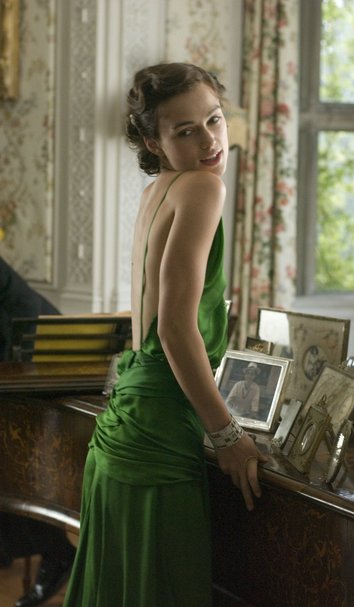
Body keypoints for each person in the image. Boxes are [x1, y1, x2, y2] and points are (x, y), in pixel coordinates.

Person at [63, 62, 266, 606]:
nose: (210, 141)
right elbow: (175, 329)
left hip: (123, 428)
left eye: (215, 120)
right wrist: (227, 435)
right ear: (153, 142)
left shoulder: (159, 191)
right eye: (186, 131)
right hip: (158, 436)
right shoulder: (202, 188)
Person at [0, 257, 76, 607]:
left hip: (42, 355)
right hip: (16, 359)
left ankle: (58, 553)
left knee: (21, 467)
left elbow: (22, 316)